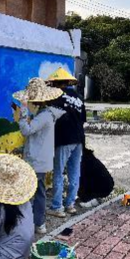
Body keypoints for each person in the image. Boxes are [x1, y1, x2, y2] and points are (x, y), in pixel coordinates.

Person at [13, 78, 65, 234]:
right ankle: (38, 224)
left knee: (31, 194)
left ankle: (32, 225)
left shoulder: (43, 116)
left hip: (37, 163)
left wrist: (21, 114)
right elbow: (39, 139)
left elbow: (27, 131)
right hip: (41, 161)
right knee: (39, 193)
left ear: (34, 102)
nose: (27, 104)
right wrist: (23, 148)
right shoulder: (46, 114)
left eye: (28, 102)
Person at [46, 67, 87, 218]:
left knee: (58, 172)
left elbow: (50, 119)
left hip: (64, 139)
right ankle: (69, 204)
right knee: (74, 173)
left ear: (56, 83)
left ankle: (57, 207)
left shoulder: (56, 97)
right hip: (78, 139)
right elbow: (82, 119)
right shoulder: (78, 97)